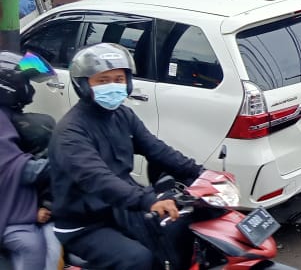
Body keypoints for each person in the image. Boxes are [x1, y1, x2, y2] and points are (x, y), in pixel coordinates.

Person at [49, 43, 204, 270]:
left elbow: (156, 149)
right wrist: (147, 200)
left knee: (180, 234)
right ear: (83, 85)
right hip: (85, 222)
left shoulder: (123, 115)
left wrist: (200, 173)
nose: (113, 86)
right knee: (139, 260)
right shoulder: (71, 133)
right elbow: (98, 178)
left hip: (121, 209)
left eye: (119, 79)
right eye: (102, 81)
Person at [0, 51, 61, 270]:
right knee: (32, 246)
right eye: (26, 82)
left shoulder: (11, 117)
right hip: (11, 214)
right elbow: (19, 168)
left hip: (29, 206)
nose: (31, 88)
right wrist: (68, 162)